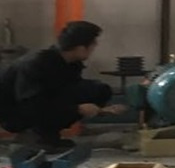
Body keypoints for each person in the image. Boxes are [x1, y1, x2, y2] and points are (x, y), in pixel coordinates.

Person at [0, 20, 117, 153]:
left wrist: (100, 109)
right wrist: (76, 109)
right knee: (44, 103)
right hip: (17, 113)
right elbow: (32, 103)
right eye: (92, 45)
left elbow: (70, 91)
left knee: (99, 90)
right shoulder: (36, 64)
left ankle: (49, 135)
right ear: (81, 48)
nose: (94, 48)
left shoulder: (70, 63)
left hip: (41, 104)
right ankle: (34, 136)